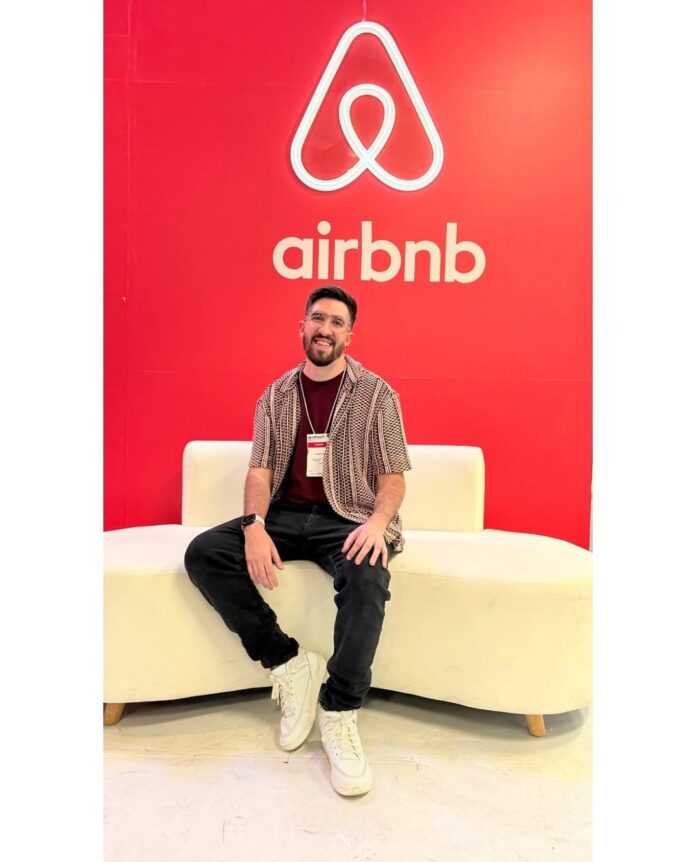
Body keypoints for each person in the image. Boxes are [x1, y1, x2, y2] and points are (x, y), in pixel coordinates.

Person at [184, 285, 411, 796]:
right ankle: (289, 663)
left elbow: (393, 476)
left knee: (368, 574)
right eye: (317, 319)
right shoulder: (277, 395)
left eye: (336, 322)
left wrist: (376, 524)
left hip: (347, 516)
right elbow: (260, 471)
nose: (324, 329)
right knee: (205, 552)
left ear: (350, 335)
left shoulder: (378, 394)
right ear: (302, 326)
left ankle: (339, 708)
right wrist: (254, 525)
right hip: (286, 515)